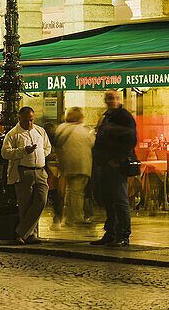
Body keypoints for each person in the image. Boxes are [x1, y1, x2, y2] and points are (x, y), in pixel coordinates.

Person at [92, 90, 137, 247]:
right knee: (109, 200)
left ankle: (123, 235)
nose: (112, 101)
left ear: (119, 100)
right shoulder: (107, 117)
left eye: (115, 98)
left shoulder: (124, 117)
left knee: (120, 199)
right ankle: (110, 233)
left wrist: (116, 160)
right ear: (105, 100)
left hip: (116, 165)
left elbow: (131, 140)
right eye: (110, 98)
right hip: (104, 164)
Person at [2, 107, 52, 244]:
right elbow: (5, 153)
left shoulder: (40, 131)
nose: (29, 124)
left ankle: (21, 233)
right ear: (19, 119)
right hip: (23, 171)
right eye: (26, 121)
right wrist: (23, 151)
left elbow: (47, 148)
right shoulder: (13, 134)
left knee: (41, 200)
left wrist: (40, 155)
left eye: (31, 120)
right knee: (25, 204)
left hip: (40, 171)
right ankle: (31, 235)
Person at [54, 107, 95, 226]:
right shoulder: (83, 130)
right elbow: (92, 143)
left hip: (66, 165)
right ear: (81, 117)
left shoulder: (61, 129)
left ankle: (68, 217)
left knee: (69, 191)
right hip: (80, 166)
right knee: (77, 193)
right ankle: (75, 218)